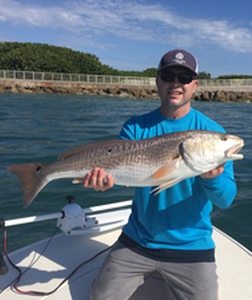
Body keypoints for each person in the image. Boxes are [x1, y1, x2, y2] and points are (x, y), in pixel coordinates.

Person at [85, 49, 238, 300]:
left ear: (195, 85)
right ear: (158, 81)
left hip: (191, 245)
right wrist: (103, 183)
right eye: (169, 75)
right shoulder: (135, 127)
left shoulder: (212, 132)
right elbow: (125, 172)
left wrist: (212, 178)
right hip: (137, 239)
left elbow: (226, 199)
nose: (176, 83)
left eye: (185, 78)